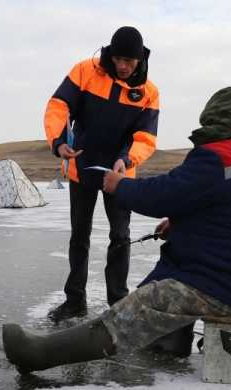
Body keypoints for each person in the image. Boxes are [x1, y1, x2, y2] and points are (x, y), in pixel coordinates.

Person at [3, 87, 231, 374]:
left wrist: (120, 185)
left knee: (143, 304)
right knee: (163, 284)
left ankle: (38, 354)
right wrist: (178, 223)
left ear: (216, 116)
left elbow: (163, 195)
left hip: (224, 282)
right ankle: (170, 347)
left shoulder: (218, 156)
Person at [44, 26, 160, 321]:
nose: (123, 66)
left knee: (120, 236)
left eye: (129, 62)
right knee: (79, 236)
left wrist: (127, 160)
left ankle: (118, 302)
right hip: (81, 168)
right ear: (110, 54)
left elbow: (145, 137)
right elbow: (58, 106)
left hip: (120, 173)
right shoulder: (85, 71)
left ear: (140, 60)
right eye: (119, 59)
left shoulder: (148, 93)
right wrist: (58, 143)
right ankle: (74, 301)